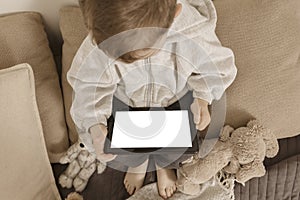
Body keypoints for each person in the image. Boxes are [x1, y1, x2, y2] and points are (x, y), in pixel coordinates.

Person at [67, 0, 237, 198]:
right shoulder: (104, 36)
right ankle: (139, 162)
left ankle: (162, 165)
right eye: (121, 57)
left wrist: (202, 97)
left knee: (181, 140)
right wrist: (94, 124)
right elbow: (87, 85)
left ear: (175, 13)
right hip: (127, 101)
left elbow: (218, 67)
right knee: (117, 137)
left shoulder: (193, 32)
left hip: (173, 98)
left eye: (143, 52)